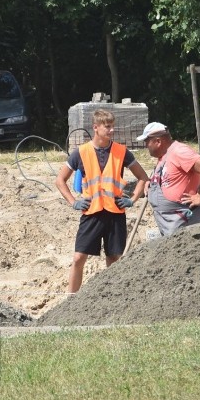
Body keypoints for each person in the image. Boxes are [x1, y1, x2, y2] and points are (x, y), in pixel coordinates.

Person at [55, 109, 148, 293]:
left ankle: (113, 299)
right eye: (108, 127)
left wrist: (132, 200)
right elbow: (60, 181)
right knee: (78, 258)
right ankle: (70, 300)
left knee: (114, 259)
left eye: (112, 126)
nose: (111, 130)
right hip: (92, 213)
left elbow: (143, 177)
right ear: (95, 128)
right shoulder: (80, 152)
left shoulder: (122, 152)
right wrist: (73, 202)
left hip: (115, 213)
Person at [137, 122, 200, 236]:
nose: (146, 145)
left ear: (158, 141)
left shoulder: (180, 151)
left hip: (185, 225)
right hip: (170, 224)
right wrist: (151, 182)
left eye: (147, 141)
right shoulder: (164, 155)